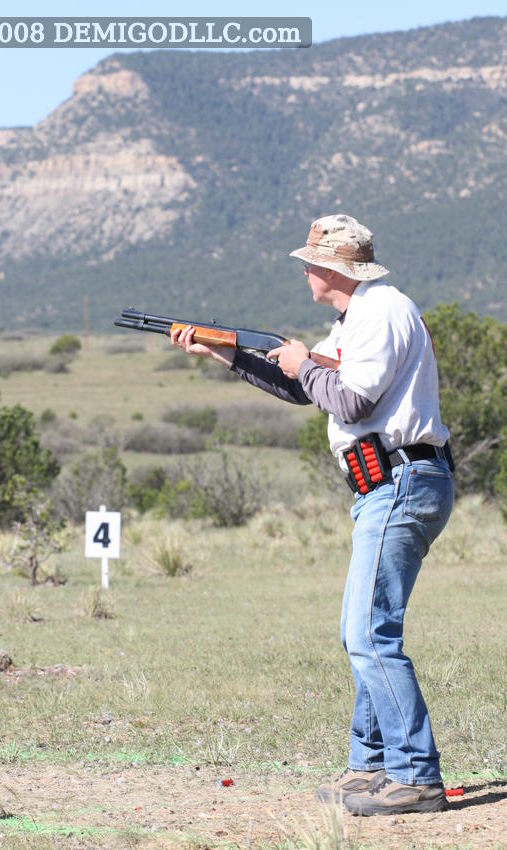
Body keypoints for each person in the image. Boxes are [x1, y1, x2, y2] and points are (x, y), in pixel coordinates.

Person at [170, 213, 454, 817]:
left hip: (399, 478)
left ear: (332, 269)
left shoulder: (380, 313)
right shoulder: (357, 317)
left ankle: (414, 774)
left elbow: (350, 399)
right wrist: (223, 352)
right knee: (368, 632)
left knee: (367, 634)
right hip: (387, 482)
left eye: (310, 264)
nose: (304, 272)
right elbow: (300, 386)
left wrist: (303, 364)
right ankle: (372, 766)